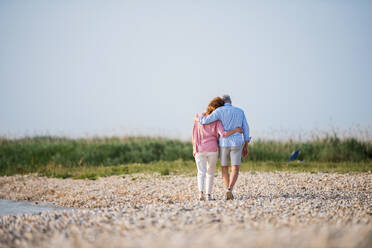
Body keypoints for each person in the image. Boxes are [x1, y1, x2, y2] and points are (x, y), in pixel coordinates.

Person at [199, 94, 251, 200]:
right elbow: (246, 128)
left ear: (223, 102)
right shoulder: (240, 111)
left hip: (223, 143)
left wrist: (198, 118)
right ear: (230, 102)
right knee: (235, 168)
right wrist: (246, 144)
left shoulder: (219, 111)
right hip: (237, 143)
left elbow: (205, 121)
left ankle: (227, 187)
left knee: (224, 168)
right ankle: (230, 189)